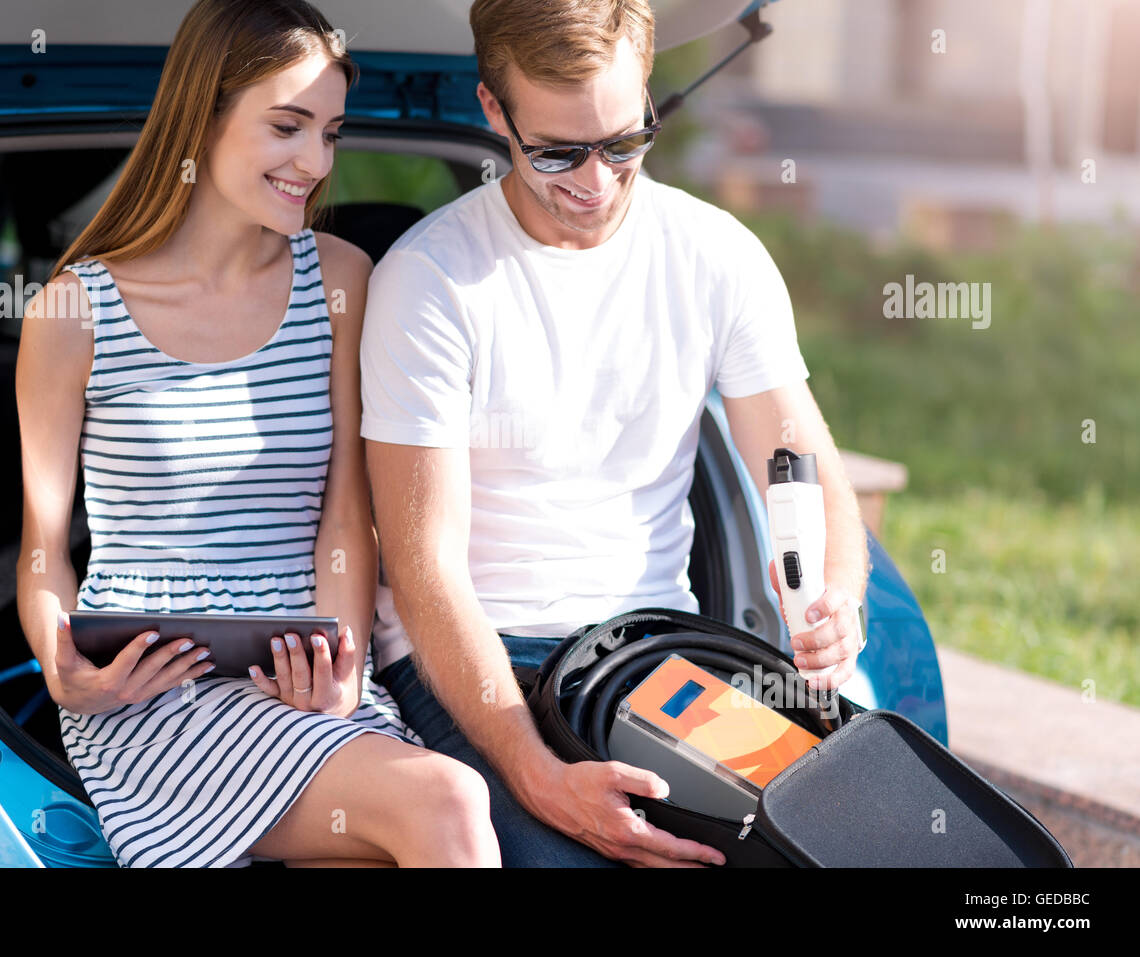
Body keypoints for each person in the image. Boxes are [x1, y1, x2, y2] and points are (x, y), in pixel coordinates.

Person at [361, 0, 870, 867]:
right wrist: (533, 771)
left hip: (660, 651)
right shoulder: (431, 282)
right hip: (485, 659)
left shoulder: (717, 255)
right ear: (494, 110)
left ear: (648, 97)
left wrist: (838, 600)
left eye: (623, 143)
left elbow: (805, 467)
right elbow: (423, 572)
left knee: (842, 838)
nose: (593, 181)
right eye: (556, 151)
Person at [15, 0, 499, 868]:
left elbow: (347, 518)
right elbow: (44, 551)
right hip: (148, 698)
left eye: (331, 134)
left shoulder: (345, 281)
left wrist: (343, 669)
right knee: (449, 801)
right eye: (287, 126)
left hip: (304, 674)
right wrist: (62, 668)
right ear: (201, 117)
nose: (315, 162)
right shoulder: (71, 310)